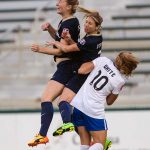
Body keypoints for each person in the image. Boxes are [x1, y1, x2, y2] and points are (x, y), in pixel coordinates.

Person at [28, 0, 80, 147]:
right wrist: (50, 28)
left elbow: (61, 49)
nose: (57, 3)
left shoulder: (69, 23)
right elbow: (59, 40)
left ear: (69, 7)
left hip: (66, 66)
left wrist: (40, 49)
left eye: (60, 2)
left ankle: (42, 135)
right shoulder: (67, 21)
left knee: (46, 98)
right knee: (64, 105)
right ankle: (94, 137)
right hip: (67, 67)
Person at [70, 51, 139, 150]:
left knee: (85, 144)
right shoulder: (120, 81)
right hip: (93, 110)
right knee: (100, 145)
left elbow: (82, 70)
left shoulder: (103, 60)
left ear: (118, 59)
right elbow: (109, 102)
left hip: (78, 105)